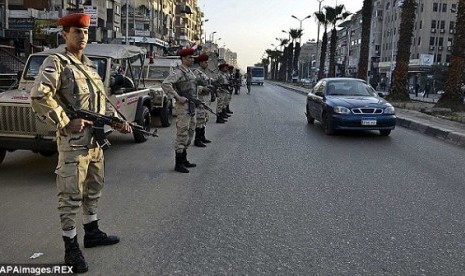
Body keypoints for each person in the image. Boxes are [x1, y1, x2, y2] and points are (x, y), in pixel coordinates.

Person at [30, 13, 132, 273]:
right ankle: (70, 247)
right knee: (70, 196)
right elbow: (39, 96)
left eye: (86, 32)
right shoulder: (57, 62)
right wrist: (64, 121)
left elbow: (99, 104)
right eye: (77, 31)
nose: (83, 36)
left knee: (94, 188)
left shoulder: (90, 67)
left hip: (95, 143)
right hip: (73, 144)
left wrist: (116, 121)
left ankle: (92, 232)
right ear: (65, 34)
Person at [161, 48, 198, 173]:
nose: (192, 59)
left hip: (191, 105)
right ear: (183, 59)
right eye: (189, 57)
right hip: (183, 107)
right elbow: (165, 84)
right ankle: (179, 163)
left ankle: (184, 159)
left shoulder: (189, 72)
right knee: (182, 133)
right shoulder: (178, 72)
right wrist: (177, 97)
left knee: (190, 131)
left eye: (192, 57)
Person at [192, 54, 213, 147]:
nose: (207, 64)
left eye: (207, 62)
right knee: (199, 120)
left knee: (204, 119)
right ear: (200, 63)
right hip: (200, 99)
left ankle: (202, 137)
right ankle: (197, 140)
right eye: (205, 62)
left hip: (206, 100)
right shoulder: (196, 73)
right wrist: (203, 89)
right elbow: (194, 86)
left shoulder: (204, 73)